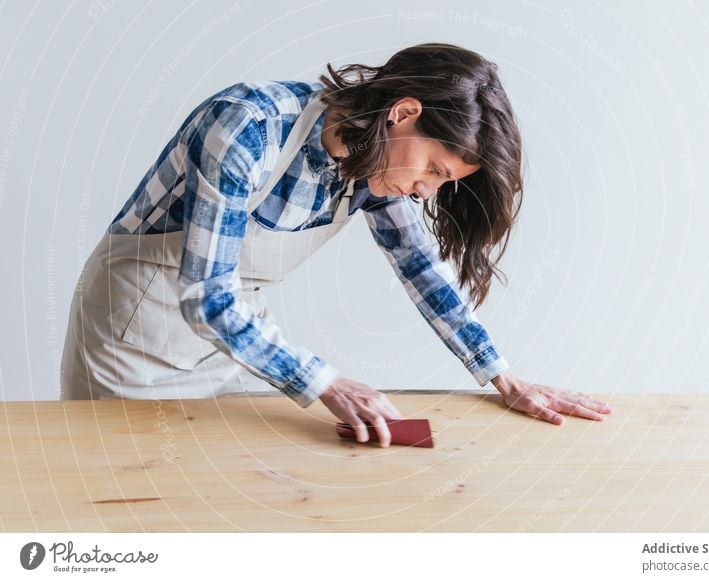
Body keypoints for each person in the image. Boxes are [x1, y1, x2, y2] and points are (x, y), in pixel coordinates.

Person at [60, 43, 613, 446]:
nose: (426, 190)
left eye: (442, 184)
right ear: (403, 112)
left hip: (227, 348)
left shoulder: (373, 169)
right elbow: (206, 293)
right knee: (126, 497)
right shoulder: (250, 126)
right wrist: (327, 383)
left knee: (212, 496)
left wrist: (504, 377)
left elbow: (422, 269)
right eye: (433, 169)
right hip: (129, 337)